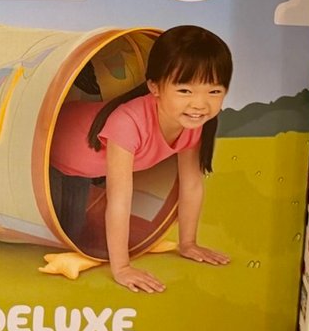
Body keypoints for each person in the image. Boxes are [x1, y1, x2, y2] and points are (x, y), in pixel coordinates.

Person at [48, 26, 233, 293]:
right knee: (60, 233)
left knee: (77, 231)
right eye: (185, 91)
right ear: (154, 87)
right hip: (47, 155)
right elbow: (120, 198)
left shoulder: (193, 124)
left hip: (81, 173)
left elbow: (191, 184)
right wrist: (122, 267)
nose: (200, 104)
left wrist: (188, 243)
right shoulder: (129, 123)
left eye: (214, 92)